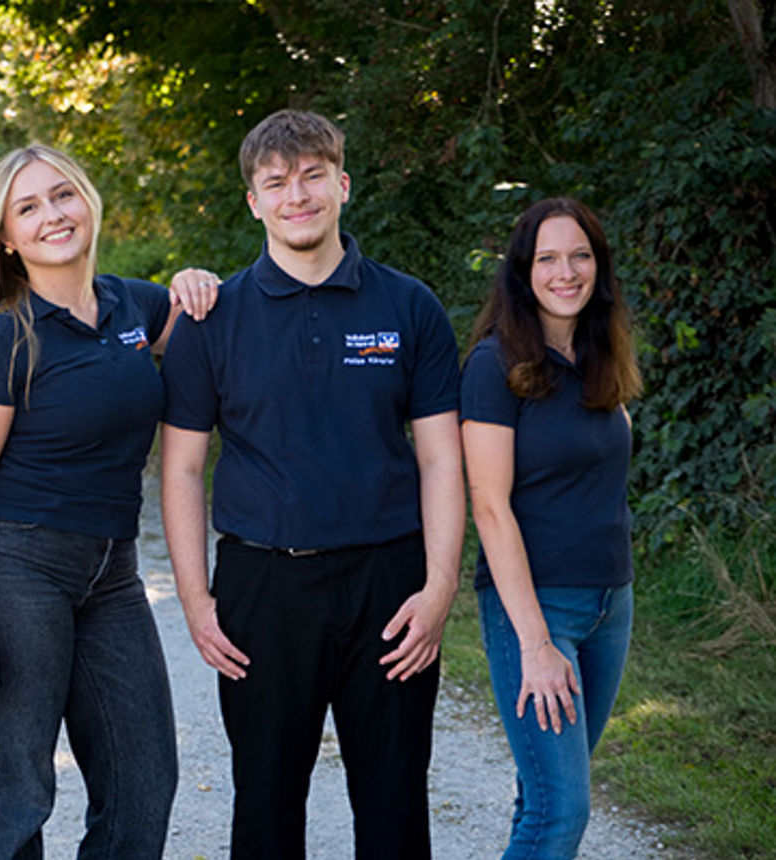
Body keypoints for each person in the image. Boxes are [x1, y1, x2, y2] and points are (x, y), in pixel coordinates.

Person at [159, 109, 465, 860]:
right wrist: (198, 602)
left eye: (312, 176)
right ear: (254, 202)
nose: (296, 195)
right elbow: (183, 468)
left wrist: (439, 587)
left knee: (394, 804)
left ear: (342, 185)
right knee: (265, 805)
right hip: (264, 587)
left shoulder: (409, 306)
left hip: (389, 582)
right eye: (276, 182)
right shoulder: (212, 316)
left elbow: (441, 460)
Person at [0, 143, 218, 859]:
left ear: (87, 201)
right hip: (17, 569)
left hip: (113, 572)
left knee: (144, 777)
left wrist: (196, 282)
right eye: (27, 207)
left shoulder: (134, 304)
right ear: (6, 237)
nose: (52, 216)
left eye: (62, 196)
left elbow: (203, 327)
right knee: (17, 787)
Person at [461, 198, 642, 859]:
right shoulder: (494, 365)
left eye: (580, 255)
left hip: (609, 605)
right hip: (537, 611)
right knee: (561, 811)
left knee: (542, 795)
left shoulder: (601, 356)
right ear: (522, 271)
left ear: (598, 265)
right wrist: (536, 643)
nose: (566, 272)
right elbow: (489, 506)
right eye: (548, 258)